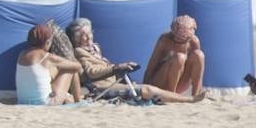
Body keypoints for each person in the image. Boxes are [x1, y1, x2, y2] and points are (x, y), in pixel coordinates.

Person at [66, 18, 206, 103]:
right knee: (147, 89)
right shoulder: (79, 51)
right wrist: (117, 68)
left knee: (147, 88)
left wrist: (121, 68)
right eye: (83, 35)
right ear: (76, 39)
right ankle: (189, 100)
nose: (88, 37)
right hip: (103, 88)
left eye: (89, 33)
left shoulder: (94, 49)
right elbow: (91, 72)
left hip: (115, 82)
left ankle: (193, 95)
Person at [16, 22, 82, 105]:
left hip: (22, 101)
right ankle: (78, 102)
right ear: (47, 42)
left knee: (50, 72)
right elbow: (77, 66)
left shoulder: (21, 54)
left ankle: (68, 97)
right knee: (72, 69)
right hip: (45, 103)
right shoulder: (47, 57)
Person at [143, 15, 205, 97]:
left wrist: (199, 89)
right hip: (160, 82)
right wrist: (143, 89)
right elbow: (150, 68)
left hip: (180, 83)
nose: (179, 42)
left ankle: (196, 95)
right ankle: (171, 95)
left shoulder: (193, 41)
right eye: (177, 39)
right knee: (179, 58)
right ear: (173, 33)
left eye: (183, 40)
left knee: (199, 55)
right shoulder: (164, 40)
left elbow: (197, 69)